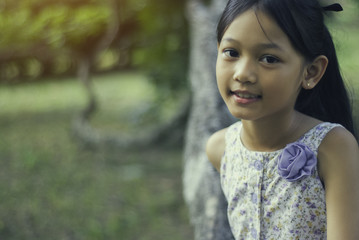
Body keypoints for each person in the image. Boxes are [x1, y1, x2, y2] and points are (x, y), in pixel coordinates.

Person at [206, 0, 359, 239]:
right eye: (231, 53)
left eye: (268, 59)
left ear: (311, 72)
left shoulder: (332, 146)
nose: (243, 73)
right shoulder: (221, 149)